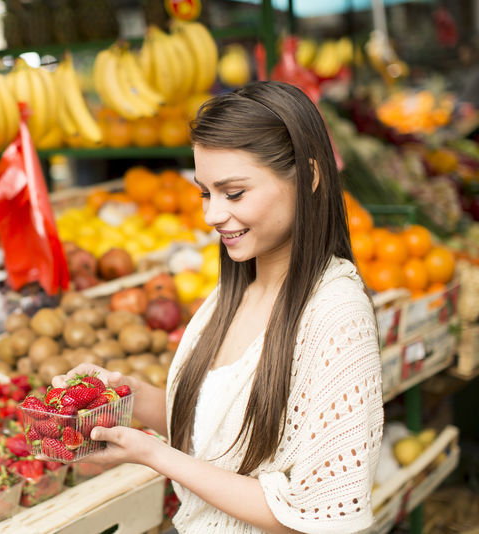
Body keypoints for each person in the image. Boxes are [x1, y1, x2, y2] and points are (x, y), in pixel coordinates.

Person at [53, 81, 384, 534]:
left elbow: (315, 514)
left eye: (234, 193)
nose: (210, 216)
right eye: (205, 193)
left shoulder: (336, 315)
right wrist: (119, 396)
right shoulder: (227, 296)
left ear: (308, 177)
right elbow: (213, 430)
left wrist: (156, 456)